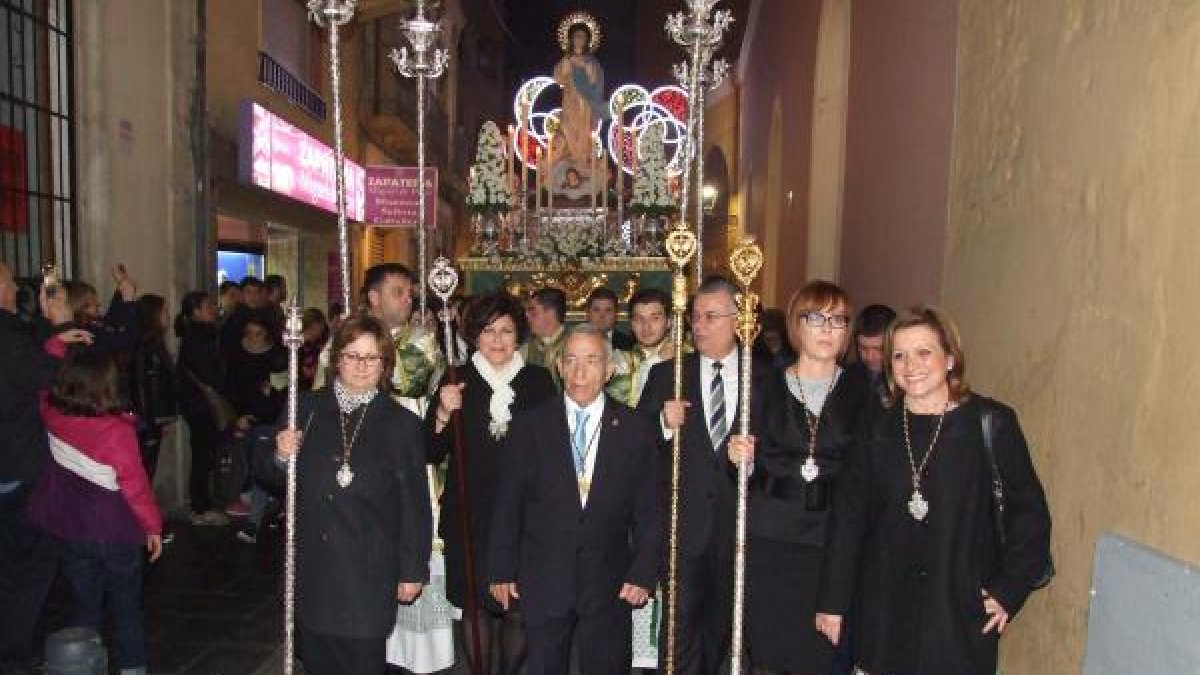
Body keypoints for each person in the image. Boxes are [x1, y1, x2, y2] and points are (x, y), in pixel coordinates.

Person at [819, 307, 1053, 675]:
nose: (911, 365)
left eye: (924, 352)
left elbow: (1030, 515)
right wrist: (833, 601)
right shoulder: (875, 429)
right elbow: (849, 518)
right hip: (883, 612)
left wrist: (1009, 590)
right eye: (899, 354)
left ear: (950, 358)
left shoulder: (990, 424)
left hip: (958, 611)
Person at [488, 324, 662, 675]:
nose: (580, 372)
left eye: (592, 360)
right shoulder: (530, 426)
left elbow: (650, 509)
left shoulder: (635, 428)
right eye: (571, 360)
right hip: (544, 575)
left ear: (609, 370)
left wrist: (644, 571)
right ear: (559, 367)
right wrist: (501, 568)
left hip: (610, 579)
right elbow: (508, 503)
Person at [270, 315, 432, 675]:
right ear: (336, 359)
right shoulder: (306, 408)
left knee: (362, 665)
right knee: (318, 663)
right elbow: (267, 476)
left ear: (385, 364)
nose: (361, 366)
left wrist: (412, 569)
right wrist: (281, 456)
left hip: (368, 574)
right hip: (315, 571)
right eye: (352, 355)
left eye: (371, 357)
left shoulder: (401, 423)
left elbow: (414, 504)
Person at [727, 281, 872, 674]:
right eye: (816, 318)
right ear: (796, 325)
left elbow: (865, 472)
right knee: (771, 651)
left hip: (830, 539)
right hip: (771, 534)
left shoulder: (862, 390)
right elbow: (739, 457)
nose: (827, 329)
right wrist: (741, 456)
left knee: (818, 655)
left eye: (838, 320)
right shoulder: (765, 383)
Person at [637, 276, 766, 675]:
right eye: (696, 317)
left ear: (738, 319)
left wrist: (754, 460)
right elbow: (635, 448)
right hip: (682, 530)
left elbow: (778, 453)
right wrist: (661, 421)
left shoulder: (763, 377)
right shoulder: (668, 374)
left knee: (721, 636)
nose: (700, 326)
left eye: (711, 316)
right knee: (678, 637)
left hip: (737, 532)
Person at [430, 292, 558, 674]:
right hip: (469, 514)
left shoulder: (537, 382)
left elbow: (554, 450)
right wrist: (441, 411)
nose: (498, 340)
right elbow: (430, 451)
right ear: (473, 336)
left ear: (519, 335)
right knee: (473, 607)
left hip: (525, 517)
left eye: (506, 330)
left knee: (517, 608)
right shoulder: (456, 380)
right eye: (489, 331)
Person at [29, 345, 164, 675]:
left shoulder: (52, 414)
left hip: (71, 526)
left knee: (84, 605)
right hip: (115, 529)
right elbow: (135, 486)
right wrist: (153, 528)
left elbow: (42, 388)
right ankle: (133, 668)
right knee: (126, 606)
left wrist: (57, 342)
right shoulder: (116, 431)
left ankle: (80, 666)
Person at [0, 262, 85, 674]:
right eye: (10, 280)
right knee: (30, 567)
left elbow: (23, 350)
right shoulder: (9, 340)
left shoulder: (14, 335)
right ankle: (13, 656)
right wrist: (64, 324)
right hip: (16, 470)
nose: (15, 287)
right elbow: (57, 378)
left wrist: (52, 331)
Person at [314, 264, 443, 417]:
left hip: (400, 430)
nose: (408, 300)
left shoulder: (420, 338)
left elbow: (415, 384)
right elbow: (324, 386)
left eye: (410, 294)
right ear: (374, 297)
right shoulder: (345, 337)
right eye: (398, 293)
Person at [174, 291, 230, 527]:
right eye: (209, 306)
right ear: (195, 311)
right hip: (200, 404)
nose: (214, 309)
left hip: (197, 403)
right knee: (203, 454)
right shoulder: (198, 337)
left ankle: (203, 503)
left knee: (204, 453)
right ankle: (200, 506)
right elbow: (210, 372)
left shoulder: (201, 335)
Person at [128, 294, 178, 480]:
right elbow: (142, 388)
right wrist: (150, 427)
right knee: (144, 472)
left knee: (149, 470)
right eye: (164, 311)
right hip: (146, 422)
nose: (168, 316)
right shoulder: (145, 346)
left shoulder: (156, 344)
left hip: (154, 420)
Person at [552, 19, 606, 166]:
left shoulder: (591, 61)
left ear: (587, 40)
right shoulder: (566, 59)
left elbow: (595, 81)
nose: (579, 39)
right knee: (567, 127)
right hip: (569, 100)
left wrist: (585, 67)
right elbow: (559, 79)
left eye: (582, 36)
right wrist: (567, 65)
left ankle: (581, 161)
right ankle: (568, 157)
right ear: (571, 39)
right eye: (576, 36)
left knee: (583, 132)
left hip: (585, 103)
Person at [848, 303, 896, 406]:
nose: (870, 357)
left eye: (879, 349)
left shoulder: (908, 381)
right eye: (863, 348)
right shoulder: (844, 377)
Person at [522, 287, 568, 388]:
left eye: (532, 311)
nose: (526, 315)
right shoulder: (523, 350)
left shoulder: (577, 344)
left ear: (550, 313)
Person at [584, 287, 634, 351]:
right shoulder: (575, 342)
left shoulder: (630, 345)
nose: (602, 316)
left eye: (608, 310)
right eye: (596, 310)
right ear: (588, 313)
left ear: (616, 315)